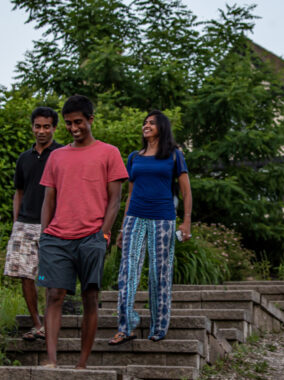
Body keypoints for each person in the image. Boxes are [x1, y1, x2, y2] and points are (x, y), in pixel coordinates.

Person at [37, 95, 128, 368]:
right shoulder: (56, 156)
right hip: (56, 237)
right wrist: (44, 235)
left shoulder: (109, 152)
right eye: (68, 123)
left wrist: (104, 233)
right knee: (54, 295)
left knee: (90, 297)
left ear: (90, 119)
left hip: (92, 236)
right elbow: (48, 200)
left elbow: (115, 199)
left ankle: (82, 364)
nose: (74, 128)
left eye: (78, 122)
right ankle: (52, 361)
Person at [108, 110, 192, 345]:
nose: (146, 125)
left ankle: (158, 327)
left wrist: (186, 221)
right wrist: (123, 228)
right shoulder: (135, 157)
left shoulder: (174, 155)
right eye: (144, 122)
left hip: (163, 219)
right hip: (135, 217)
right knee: (128, 273)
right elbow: (130, 193)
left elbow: (186, 190)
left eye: (152, 123)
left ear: (162, 128)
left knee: (159, 274)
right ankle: (126, 327)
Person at [4, 107, 62, 341]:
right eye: (37, 126)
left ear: (54, 128)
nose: (41, 131)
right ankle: (37, 323)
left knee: (51, 276)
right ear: (32, 128)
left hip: (54, 224)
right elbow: (19, 191)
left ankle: (50, 323)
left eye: (46, 126)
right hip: (25, 224)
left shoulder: (61, 154)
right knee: (24, 274)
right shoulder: (24, 158)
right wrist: (17, 220)